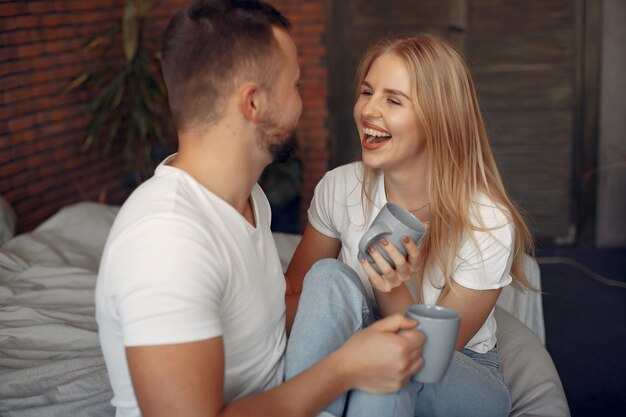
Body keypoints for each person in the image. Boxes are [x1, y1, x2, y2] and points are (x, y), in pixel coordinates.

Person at [94, 1, 425, 416]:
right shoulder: (165, 241)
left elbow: (263, 325)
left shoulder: (248, 200)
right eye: (296, 86)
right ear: (253, 103)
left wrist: (369, 309)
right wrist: (346, 368)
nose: (301, 103)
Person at [284, 33, 536, 417]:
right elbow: (297, 293)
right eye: (367, 92)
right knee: (327, 275)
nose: (369, 110)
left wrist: (393, 286)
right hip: (364, 342)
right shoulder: (340, 186)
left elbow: (431, 357)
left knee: (385, 374)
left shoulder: (487, 221)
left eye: (393, 100)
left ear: (439, 117)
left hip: (456, 371)